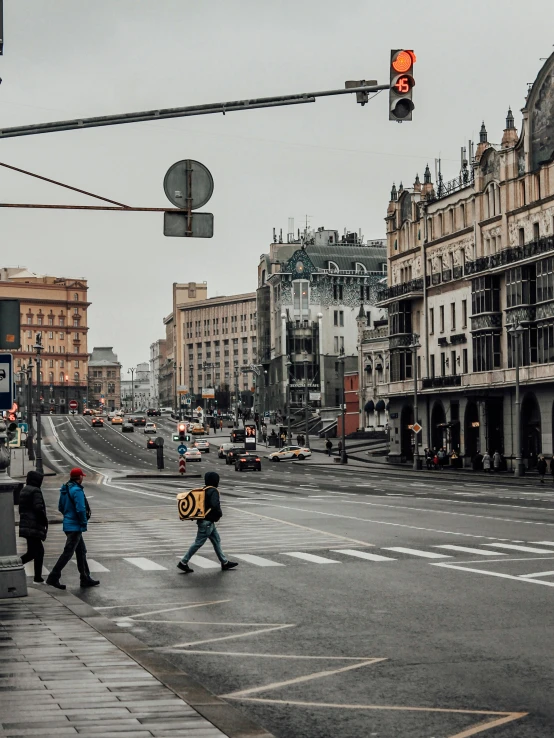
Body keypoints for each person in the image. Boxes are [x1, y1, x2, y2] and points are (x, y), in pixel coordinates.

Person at [46, 468, 99, 590]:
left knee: (81, 551)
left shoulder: (65, 489)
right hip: (75, 526)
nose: (83, 478)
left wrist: (68, 515)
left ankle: (85, 577)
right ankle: (53, 576)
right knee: (68, 552)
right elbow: (81, 509)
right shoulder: (77, 490)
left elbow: (60, 507)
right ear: (79, 477)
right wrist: (83, 523)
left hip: (68, 524)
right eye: (82, 476)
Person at [177, 471, 238, 573]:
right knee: (198, 543)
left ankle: (225, 562)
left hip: (205, 521)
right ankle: (183, 562)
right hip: (207, 522)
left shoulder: (204, 489)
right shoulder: (213, 491)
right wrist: (219, 513)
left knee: (216, 540)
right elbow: (215, 505)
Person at [18, 470, 48, 584]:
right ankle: (15, 566)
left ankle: (38, 577)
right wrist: (43, 520)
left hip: (26, 524)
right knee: (35, 552)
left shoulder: (24, 489)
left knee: (36, 551)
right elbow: (38, 508)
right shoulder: (36, 491)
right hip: (33, 525)